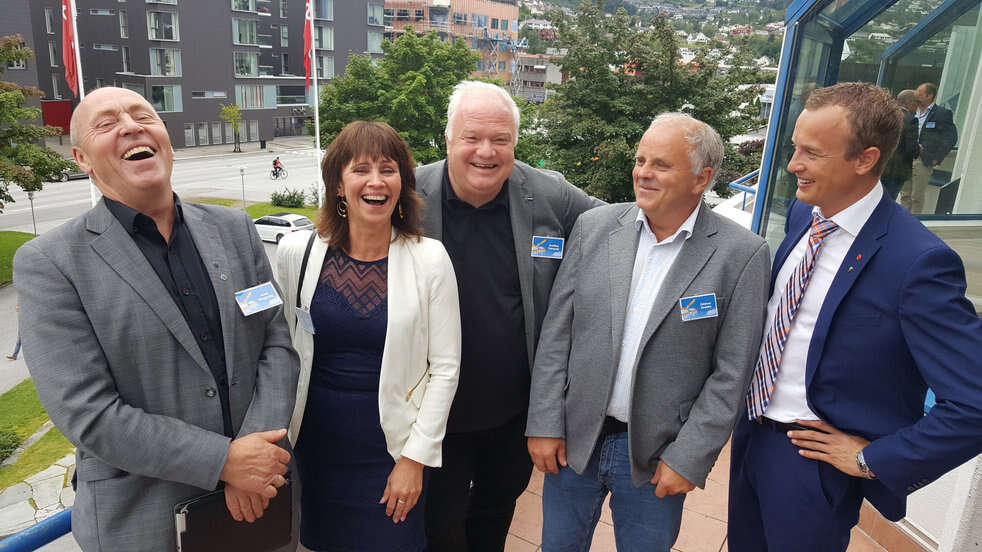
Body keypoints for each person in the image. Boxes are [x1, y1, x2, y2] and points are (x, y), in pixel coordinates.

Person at [12, 86, 300, 551]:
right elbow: (87, 412)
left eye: (144, 116)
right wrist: (225, 461)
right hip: (144, 523)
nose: (131, 127)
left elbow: (275, 342)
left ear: (166, 139)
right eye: (107, 124)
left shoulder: (234, 229)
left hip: (261, 505)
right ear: (82, 159)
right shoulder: (51, 263)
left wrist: (256, 454)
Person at [728, 82, 982, 551]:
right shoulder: (805, 215)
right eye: (795, 148)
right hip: (751, 438)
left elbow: (975, 402)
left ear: (865, 159)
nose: (793, 165)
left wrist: (875, 459)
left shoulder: (918, 261)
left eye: (811, 153)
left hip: (811, 467)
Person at [526, 113, 770, 551]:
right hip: (574, 442)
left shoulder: (741, 255)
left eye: (661, 164)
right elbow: (557, 334)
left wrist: (690, 457)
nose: (643, 173)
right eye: (641, 160)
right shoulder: (595, 228)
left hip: (658, 456)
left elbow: (732, 373)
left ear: (702, 178)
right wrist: (544, 422)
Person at [416, 80, 602, 552]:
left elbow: (617, 227)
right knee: (439, 526)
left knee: (495, 516)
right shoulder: (411, 194)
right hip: (435, 415)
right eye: (472, 137)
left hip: (513, 416)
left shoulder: (547, 194)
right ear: (448, 139)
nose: (486, 151)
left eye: (500, 139)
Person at [276, 120, 461, 552]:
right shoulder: (297, 253)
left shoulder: (430, 259)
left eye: (388, 169)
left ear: (402, 183)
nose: (376, 181)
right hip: (317, 447)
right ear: (339, 185)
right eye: (361, 169)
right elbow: (283, 349)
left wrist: (414, 460)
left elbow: (446, 368)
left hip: (392, 449)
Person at [899, 82, 957, 214]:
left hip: (923, 159)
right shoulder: (912, 110)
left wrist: (937, 157)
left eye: (920, 93)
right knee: (905, 194)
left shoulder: (942, 113)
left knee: (916, 197)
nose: (916, 95)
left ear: (929, 96)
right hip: (907, 157)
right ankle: (902, 221)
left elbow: (951, 137)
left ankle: (914, 223)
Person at [880, 89, 920, 201]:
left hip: (880, 166)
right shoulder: (911, 120)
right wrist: (918, 149)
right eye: (917, 103)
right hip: (897, 170)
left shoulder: (885, 115)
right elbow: (911, 147)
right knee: (888, 201)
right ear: (909, 103)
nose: (918, 107)